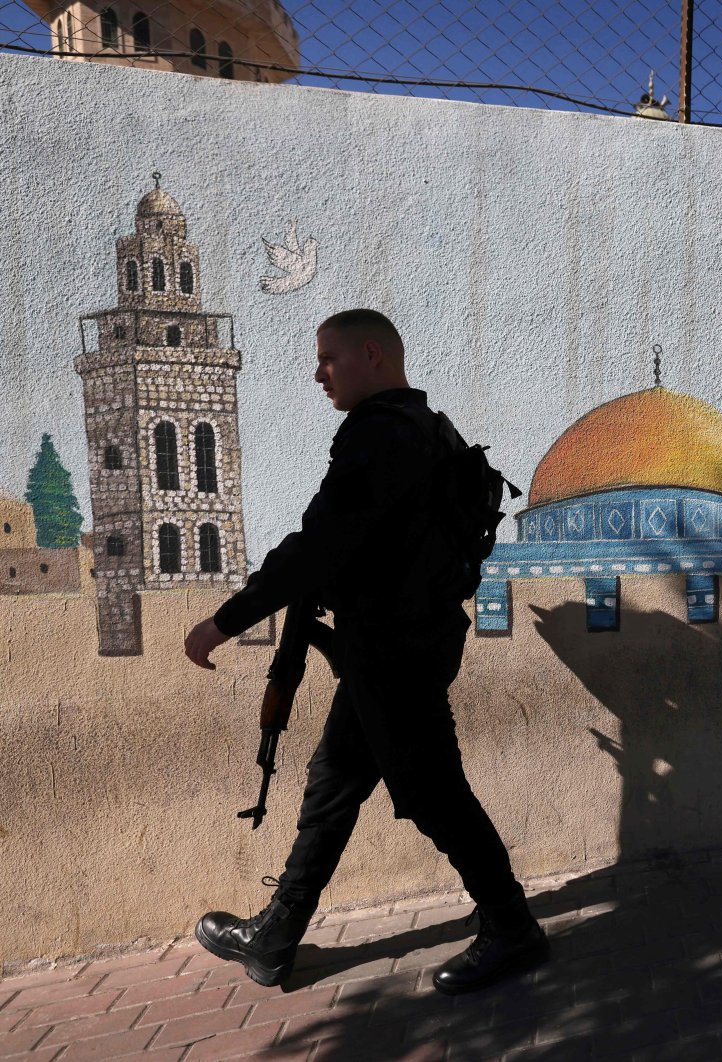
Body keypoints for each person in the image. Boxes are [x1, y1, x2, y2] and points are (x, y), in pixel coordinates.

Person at [182, 309, 545, 994]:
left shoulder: (380, 436)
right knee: (333, 785)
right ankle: (277, 935)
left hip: (393, 658)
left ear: (371, 355)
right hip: (403, 647)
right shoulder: (433, 430)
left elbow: (318, 545)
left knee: (437, 797)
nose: (318, 373)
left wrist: (223, 621)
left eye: (330, 359)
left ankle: (513, 928)